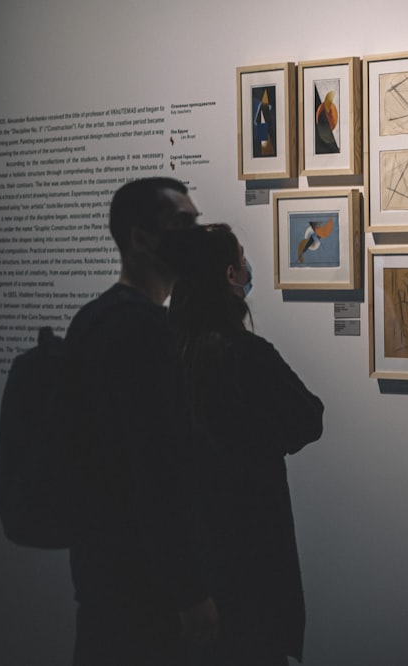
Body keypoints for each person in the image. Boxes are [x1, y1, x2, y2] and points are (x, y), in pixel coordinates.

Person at [65, 177, 218, 666]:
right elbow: (157, 473)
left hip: (101, 575)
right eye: (181, 222)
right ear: (140, 238)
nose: (196, 233)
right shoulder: (144, 331)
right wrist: (191, 595)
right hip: (144, 591)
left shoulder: (92, 319)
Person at [169, 223, 324, 665]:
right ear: (230, 275)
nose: (246, 264)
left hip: (186, 563)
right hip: (250, 555)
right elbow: (308, 419)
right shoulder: (245, 354)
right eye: (240, 256)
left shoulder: (167, 353)